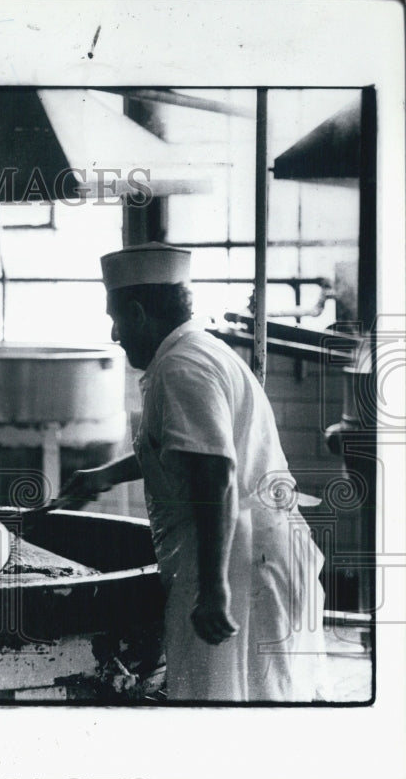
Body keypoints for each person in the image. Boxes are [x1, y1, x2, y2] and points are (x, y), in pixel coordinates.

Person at [62, 242, 327, 701]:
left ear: (140, 312)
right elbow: (184, 453)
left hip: (240, 562)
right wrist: (102, 475)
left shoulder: (181, 369)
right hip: (253, 551)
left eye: (117, 318)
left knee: (222, 704)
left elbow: (217, 475)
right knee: (254, 701)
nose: (115, 334)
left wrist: (214, 588)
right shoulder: (197, 351)